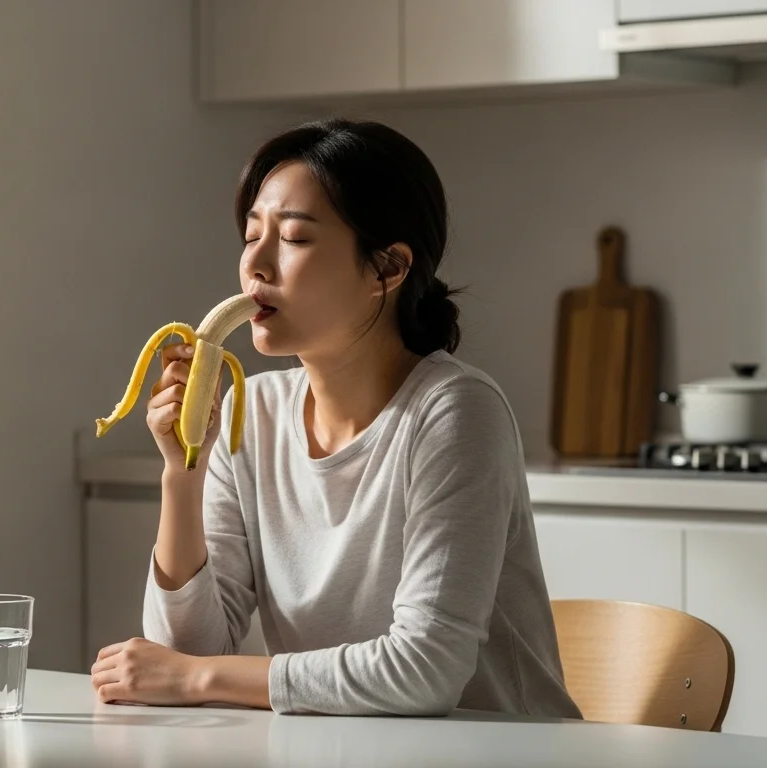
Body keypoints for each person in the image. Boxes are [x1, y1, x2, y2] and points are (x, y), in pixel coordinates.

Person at [90, 118, 583, 719]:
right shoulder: (256, 412)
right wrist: (183, 471)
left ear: (387, 269)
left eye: (294, 239)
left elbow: (424, 672)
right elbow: (180, 654)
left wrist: (197, 679)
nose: (257, 266)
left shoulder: (454, 412)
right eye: (251, 237)